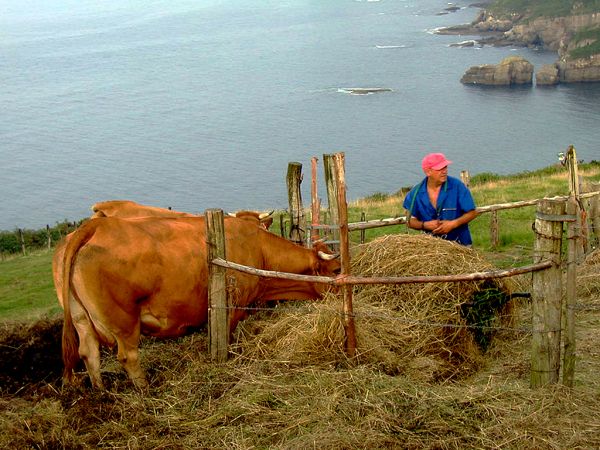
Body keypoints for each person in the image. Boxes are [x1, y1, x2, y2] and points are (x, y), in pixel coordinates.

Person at [403, 152, 477, 246]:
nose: (444, 171)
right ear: (428, 172)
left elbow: (473, 212)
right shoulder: (415, 194)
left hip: (461, 246)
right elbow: (409, 221)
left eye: (445, 167)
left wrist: (453, 224)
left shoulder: (457, 186)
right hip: (432, 249)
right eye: (440, 169)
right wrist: (424, 225)